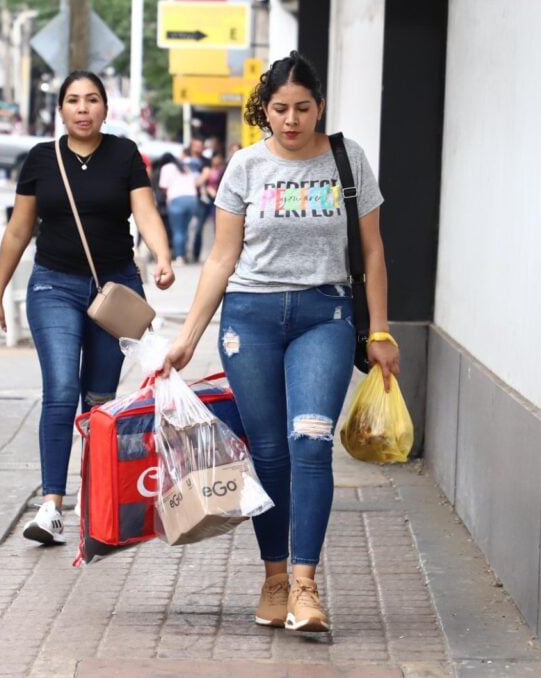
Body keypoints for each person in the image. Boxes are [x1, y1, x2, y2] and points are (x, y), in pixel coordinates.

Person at [162, 51, 398, 632]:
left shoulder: (348, 160)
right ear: (264, 110)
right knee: (267, 453)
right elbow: (221, 257)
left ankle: (305, 584)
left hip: (325, 315)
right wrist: (189, 336)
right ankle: (272, 577)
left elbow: (372, 250)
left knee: (311, 444)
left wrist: (382, 328)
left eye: (302, 109)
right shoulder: (245, 166)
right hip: (251, 320)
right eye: (279, 110)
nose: (291, 121)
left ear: (320, 107)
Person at [0, 71, 175, 546]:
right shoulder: (42, 160)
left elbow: (145, 211)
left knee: (100, 398)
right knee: (62, 388)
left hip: (116, 289)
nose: (83, 108)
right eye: (73, 100)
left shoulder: (125, 154)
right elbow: (18, 231)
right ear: (61, 110)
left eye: (92, 100)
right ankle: (51, 505)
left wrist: (163, 256)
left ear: (106, 109)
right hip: (54, 286)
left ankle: (97, 499)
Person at [157, 149, 199, 265]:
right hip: (192, 199)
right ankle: (184, 254)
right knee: (185, 229)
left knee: (177, 230)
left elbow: (163, 187)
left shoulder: (166, 168)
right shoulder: (185, 166)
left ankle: (179, 257)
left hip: (177, 200)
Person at [190, 150, 225, 262]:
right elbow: (198, 183)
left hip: (217, 199)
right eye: (215, 158)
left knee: (218, 226)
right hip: (204, 199)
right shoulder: (206, 169)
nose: (217, 160)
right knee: (199, 226)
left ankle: (219, 254)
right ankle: (196, 252)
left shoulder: (223, 170)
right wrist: (206, 188)